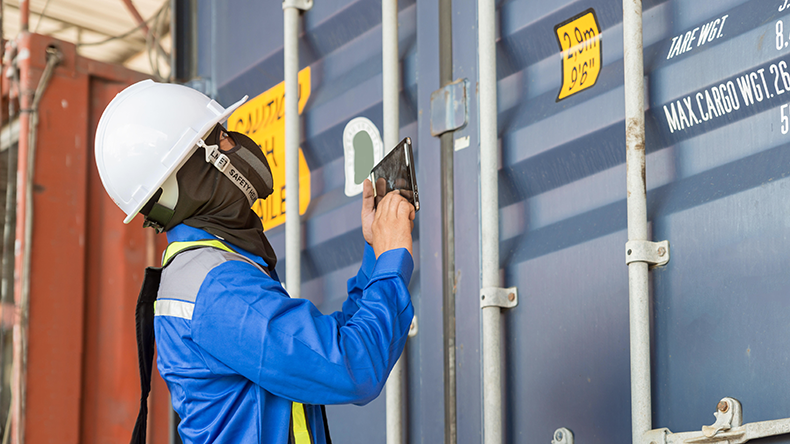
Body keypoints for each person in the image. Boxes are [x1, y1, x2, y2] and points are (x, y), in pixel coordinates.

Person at [94, 80, 416, 444]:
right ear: (195, 173)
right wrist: (392, 258)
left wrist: (376, 255)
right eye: (223, 137)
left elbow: (324, 348)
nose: (237, 144)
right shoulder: (219, 287)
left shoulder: (203, 272)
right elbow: (353, 367)